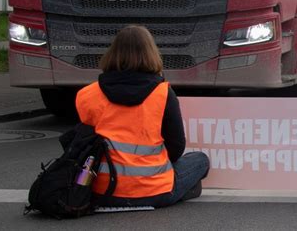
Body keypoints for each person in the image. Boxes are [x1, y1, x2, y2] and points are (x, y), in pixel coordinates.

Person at [75, 25, 210, 208]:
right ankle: (181, 190)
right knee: (200, 160)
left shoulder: (87, 95)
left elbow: (83, 146)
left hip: (102, 192)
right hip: (154, 192)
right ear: (151, 53)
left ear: (113, 53)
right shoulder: (163, 93)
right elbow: (177, 146)